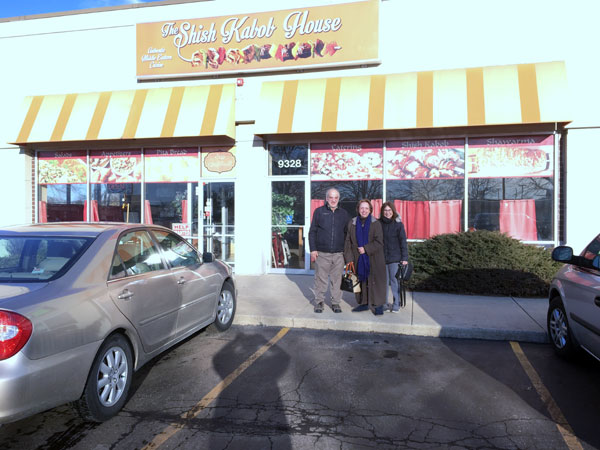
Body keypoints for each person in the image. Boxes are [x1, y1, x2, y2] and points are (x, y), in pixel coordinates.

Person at [309, 188, 351, 313]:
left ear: (338, 199)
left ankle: (335, 303)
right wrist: (313, 249)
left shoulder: (344, 214)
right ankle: (319, 302)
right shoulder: (319, 212)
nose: (333, 200)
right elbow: (312, 232)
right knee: (320, 279)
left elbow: (347, 234)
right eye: (331, 197)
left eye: (336, 197)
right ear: (326, 198)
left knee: (337, 280)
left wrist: (346, 252)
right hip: (322, 253)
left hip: (338, 254)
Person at [344, 199, 387, 315]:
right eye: (362, 208)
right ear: (358, 209)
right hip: (357, 257)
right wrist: (348, 259)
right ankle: (363, 303)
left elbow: (379, 242)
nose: (364, 210)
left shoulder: (375, 223)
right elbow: (347, 242)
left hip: (374, 257)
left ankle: (378, 305)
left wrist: (366, 248)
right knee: (360, 281)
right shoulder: (352, 223)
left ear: (370, 210)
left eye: (366, 208)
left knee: (376, 282)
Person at [379, 201, 409, 312]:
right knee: (384, 282)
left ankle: (396, 303)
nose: (387, 213)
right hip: (382, 258)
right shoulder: (378, 224)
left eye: (389, 210)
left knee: (394, 281)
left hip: (395, 258)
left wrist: (404, 258)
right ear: (382, 212)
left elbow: (403, 242)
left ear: (393, 211)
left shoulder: (398, 224)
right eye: (385, 210)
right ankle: (385, 304)